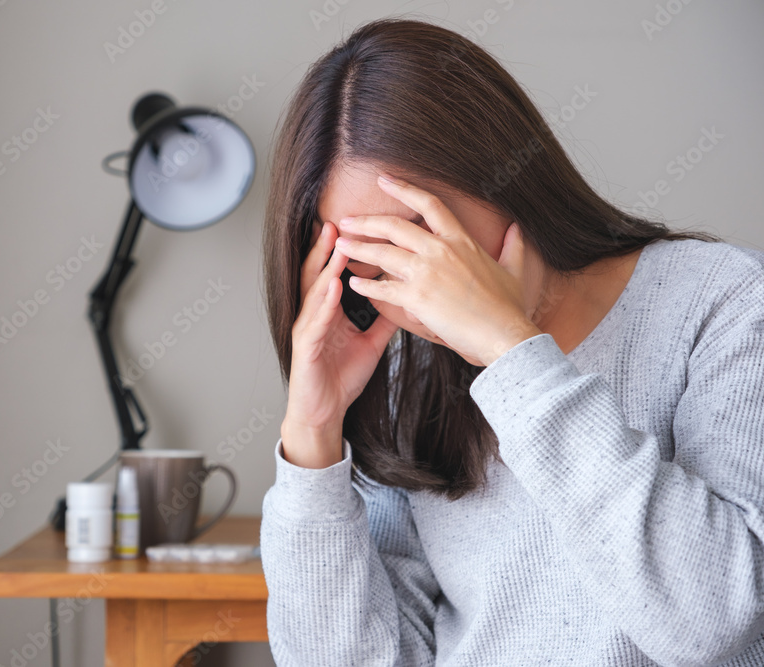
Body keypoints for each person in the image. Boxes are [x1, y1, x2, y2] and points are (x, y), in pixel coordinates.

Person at [259, 16, 764, 667]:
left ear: (502, 170)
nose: (413, 286)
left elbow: (716, 624)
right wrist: (314, 435)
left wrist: (512, 355)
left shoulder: (725, 302)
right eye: (373, 260)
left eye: (420, 239)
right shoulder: (406, 374)